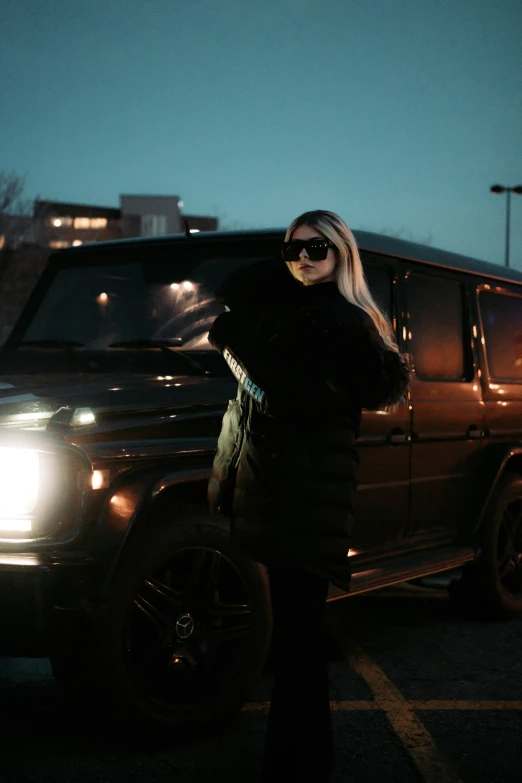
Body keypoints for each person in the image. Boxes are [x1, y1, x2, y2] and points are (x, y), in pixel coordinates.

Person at [207, 210, 410, 782]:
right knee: (291, 645)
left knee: (298, 648)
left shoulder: (339, 324)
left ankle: (301, 767)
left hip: (305, 501)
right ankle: (292, 762)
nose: (303, 258)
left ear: (343, 253)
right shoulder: (294, 312)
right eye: (293, 249)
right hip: (281, 494)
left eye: (318, 248)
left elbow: (286, 397)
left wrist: (236, 339)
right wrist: (270, 286)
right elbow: (236, 293)